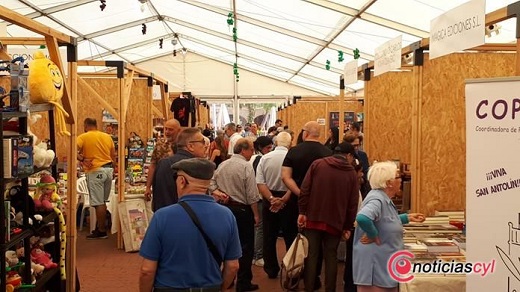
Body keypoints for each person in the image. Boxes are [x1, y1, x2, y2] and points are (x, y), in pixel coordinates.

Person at [139, 158, 241, 291]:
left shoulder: (162, 216)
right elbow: (233, 266)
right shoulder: (227, 215)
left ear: (182, 181)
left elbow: (147, 270)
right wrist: (220, 288)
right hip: (210, 287)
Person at [353, 161, 425, 292]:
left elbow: (385, 221)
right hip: (375, 271)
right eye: (397, 177)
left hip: (383, 268)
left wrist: (406, 218)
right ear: (388, 183)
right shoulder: (377, 199)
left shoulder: (384, 199)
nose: (401, 180)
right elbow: (363, 217)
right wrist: (372, 235)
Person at [298, 142, 359, 292]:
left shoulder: (317, 164)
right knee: (331, 255)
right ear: (349, 155)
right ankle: (330, 289)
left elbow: (305, 190)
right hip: (336, 221)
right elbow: (353, 204)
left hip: (313, 217)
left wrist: (302, 212)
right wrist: (347, 226)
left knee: (311, 255)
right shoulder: (351, 173)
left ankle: (309, 288)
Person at [281, 121, 332, 289]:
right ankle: (314, 277)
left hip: (296, 203)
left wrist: (300, 193)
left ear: (304, 133)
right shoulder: (327, 153)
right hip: (320, 205)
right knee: (315, 244)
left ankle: (293, 274)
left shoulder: (294, 152)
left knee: (293, 238)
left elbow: (285, 177)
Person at [209, 138, 261, 292]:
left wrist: (219, 193)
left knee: (224, 245)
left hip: (223, 209)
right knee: (245, 247)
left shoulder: (223, 164)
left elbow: (211, 184)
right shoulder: (246, 167)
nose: (253, 152)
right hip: (242, 211)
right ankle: (243, 282)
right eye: (251, 149)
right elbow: (252, 194)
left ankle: (226, 280)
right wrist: (256, 214)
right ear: (243, 150)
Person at [255, 132, 296, 279]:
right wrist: (283, 200)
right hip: (289, 199)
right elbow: (295, 183)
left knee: (269, 235)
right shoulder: (293, 158)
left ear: (276, 143)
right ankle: (292, 268)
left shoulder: (265, 158)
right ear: (290, 143)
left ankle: (271, 268)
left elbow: (260, 182)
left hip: (269, 198)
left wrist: (272, 199)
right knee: (290, 236)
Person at [151, 128, 208, 212]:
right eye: (203, 142)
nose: (206, 145)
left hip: (163, 217)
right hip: (185, 219)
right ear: (191, 146)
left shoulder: (163, 163)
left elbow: (157, 195)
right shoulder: (196, 167)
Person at [77, 118, 116, 239]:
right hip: (108, 169)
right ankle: (102, 228)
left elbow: (72, 149)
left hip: (95, 171)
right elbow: (113, 154)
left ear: (86, 125)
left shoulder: (83, 137)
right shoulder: (107, 137)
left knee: (98, 203)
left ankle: (101, 231)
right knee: (103, 202)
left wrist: (82, 159)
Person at [249, 136, 273, 268]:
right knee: (259, 227)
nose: (270, 150)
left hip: (255, 196)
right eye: (268, 148)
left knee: (257, 226)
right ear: (261, 148)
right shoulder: (259, 159)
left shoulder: (255, 158)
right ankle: (258, 255)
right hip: (258, 196)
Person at [144, 119, 181, 201]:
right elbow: (153, 165)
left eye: (171, 129)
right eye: (166, 129)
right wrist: (148, 187)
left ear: (179, 131)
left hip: (178, 185)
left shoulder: (184, 145)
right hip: (161, 185)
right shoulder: (160, 144)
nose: (167, 132)